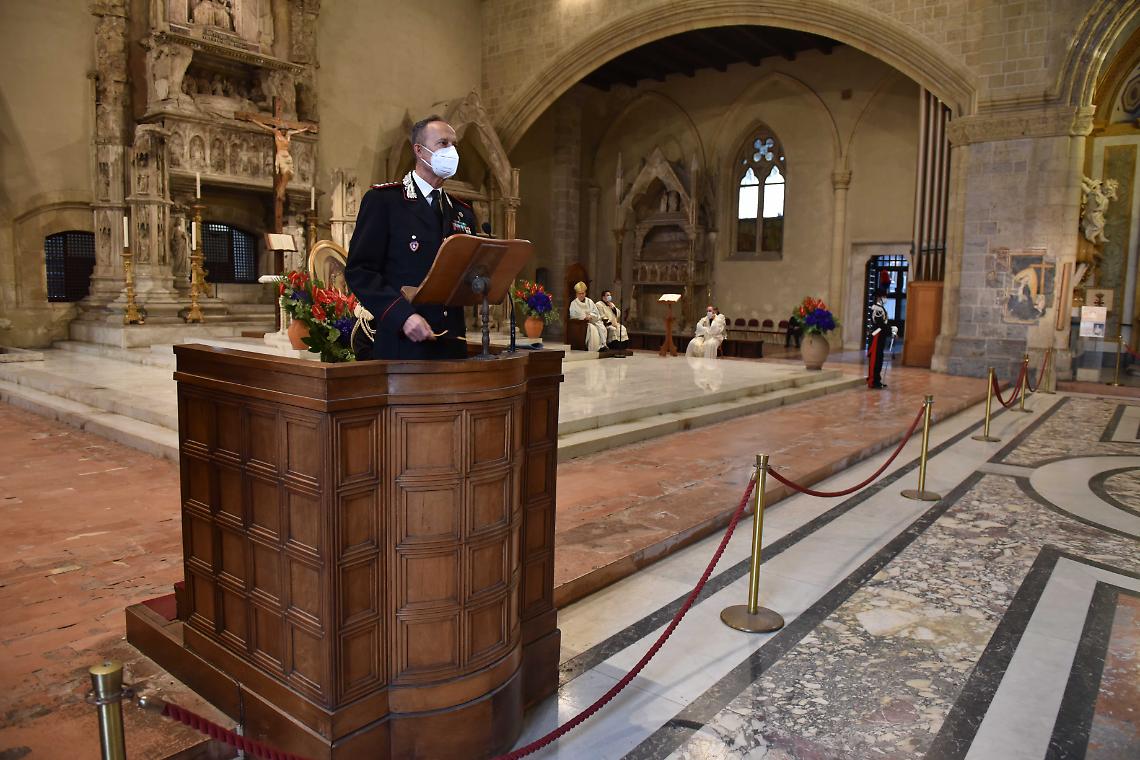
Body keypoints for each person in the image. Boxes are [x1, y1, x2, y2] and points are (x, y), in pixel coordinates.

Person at [345, 115, 477, 360]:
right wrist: (402, 315)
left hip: (451, 343)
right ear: (419, 150)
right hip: (403, 342)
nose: (452, 151)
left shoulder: (462, 211)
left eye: (454, 144)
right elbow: (360, 271)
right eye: (443, 143)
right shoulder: (385, 202)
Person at [569, 281, 611, 354]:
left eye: (583, 293)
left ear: (585, 293)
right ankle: (595, 347)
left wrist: (591, 316)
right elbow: (573, 315)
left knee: (602, 327)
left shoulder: (589, 301)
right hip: (581, 323)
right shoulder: (573, 303)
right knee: (592, 329)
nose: (581, 295)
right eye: (580, 294)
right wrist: (584, 317)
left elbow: (596, 312)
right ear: (576, 294)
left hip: (592, 320)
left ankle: (603, 345)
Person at [867, 286, 890, 389]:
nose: (885, 298)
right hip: (876, 336)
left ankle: (877, 380)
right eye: (884, 296)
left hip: (880, 336)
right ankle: (873, 381)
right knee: (875, 360)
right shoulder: (876, 309)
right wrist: (890, 330)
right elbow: (880, 324)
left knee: (879, 359)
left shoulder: (881, 308)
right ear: (879, 297)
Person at [597, 289, 630, 354]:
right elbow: (602, 316)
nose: (609, 297)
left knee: (622, 328)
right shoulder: (599, 304)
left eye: (610, 295)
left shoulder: (611, 304)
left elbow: (618, 314)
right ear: (603, 297)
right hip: (606, 324)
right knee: (614, 329)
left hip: (614, 323)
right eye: (608, 295)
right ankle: (613, 346)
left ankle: (622, 347)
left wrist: (613, 308)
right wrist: (610, 323)